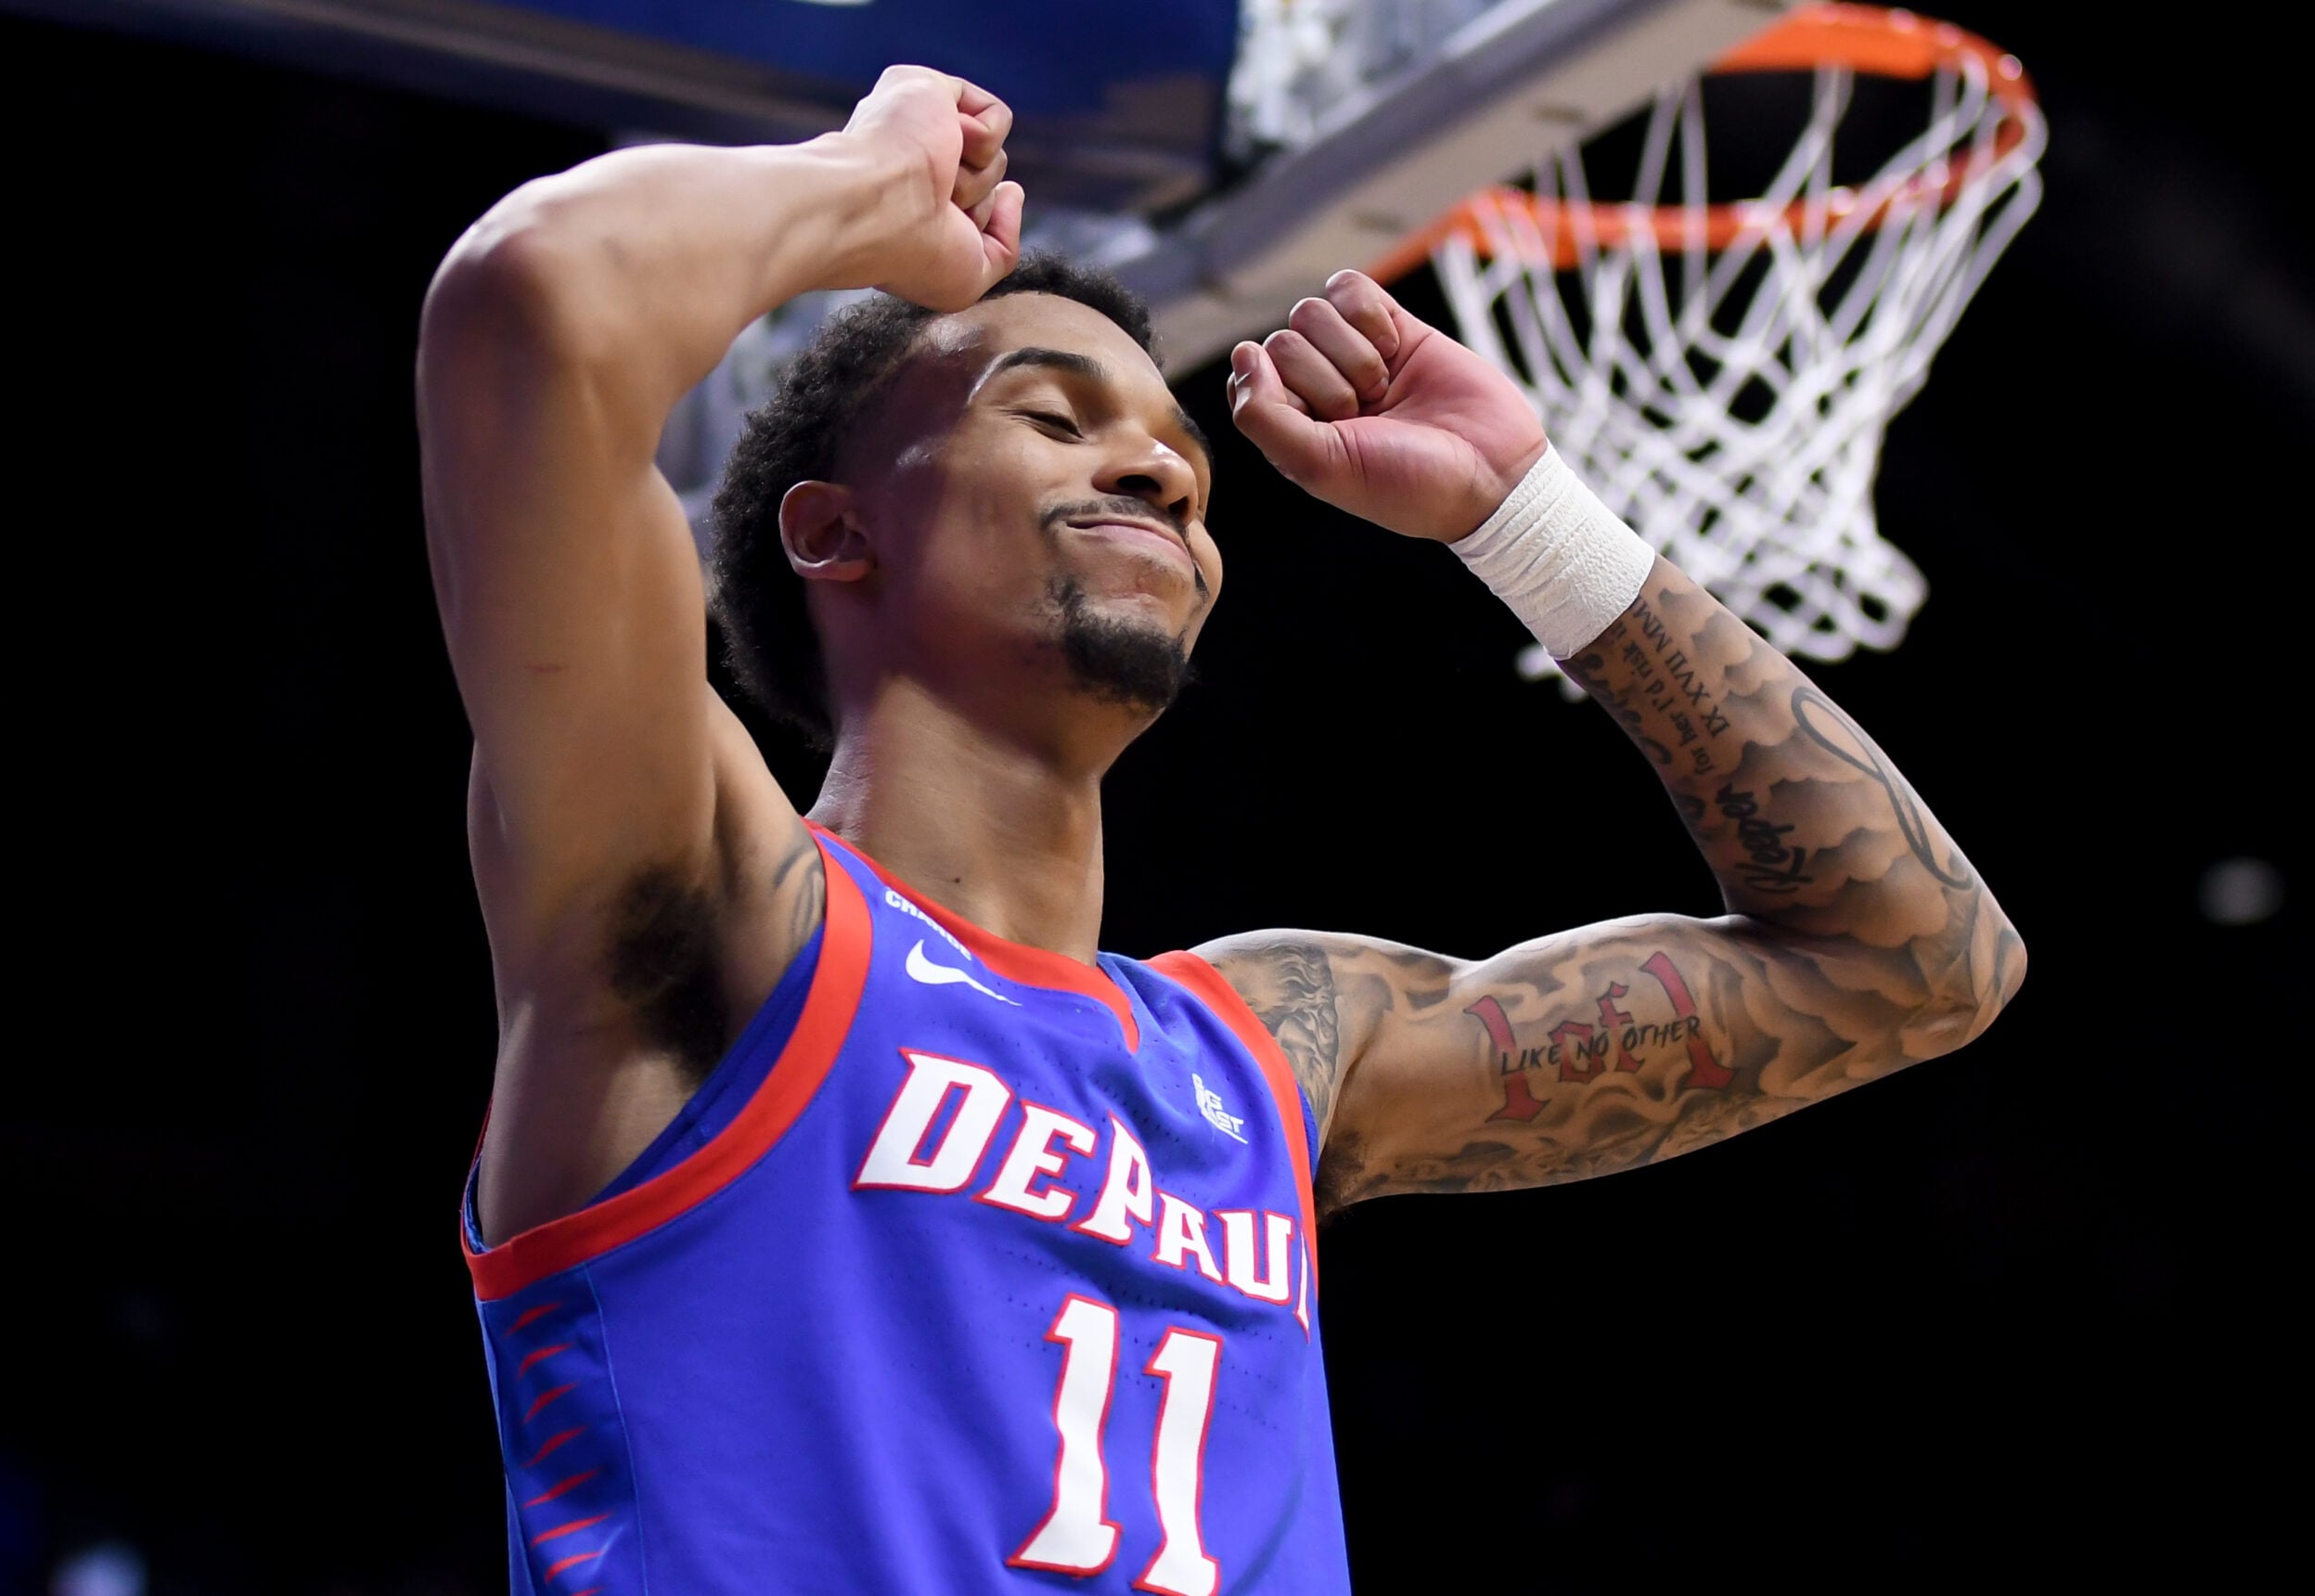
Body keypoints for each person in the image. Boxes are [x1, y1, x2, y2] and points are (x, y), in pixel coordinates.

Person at [418, 66, 2023, 1596]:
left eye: (1182, 463)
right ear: (837, 531)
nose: (1157, 468)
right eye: (1052, 417)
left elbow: (1916, 958)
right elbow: (532, 301)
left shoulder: (1275, 1052)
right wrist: (866, 194)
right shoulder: (709, 906)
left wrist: (1532, 521)